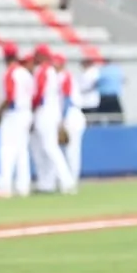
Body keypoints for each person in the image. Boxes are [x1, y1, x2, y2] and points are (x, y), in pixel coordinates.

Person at [29, 45, 76, 194]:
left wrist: (32, 109)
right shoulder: (52, 71)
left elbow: (39, 94)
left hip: (44, 112)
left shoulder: (43, 70)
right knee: (44, 148)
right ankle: (47, 183)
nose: (34, 58)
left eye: (36, 55)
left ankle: (66, 181)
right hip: (52, 111)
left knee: (49, 147)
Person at [0, 43, 35, 198]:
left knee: (6, 149)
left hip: (14, 114)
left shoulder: (11, 72)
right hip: (26, 112)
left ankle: (5, 185)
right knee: (22, 150)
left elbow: (10, 97)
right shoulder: (26, 73)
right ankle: (23, 187)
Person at [57, 54, 87, 187]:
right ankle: (67, 181)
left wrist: (63, 120)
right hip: (68, 114)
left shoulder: (65, 76)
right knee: (66, 150)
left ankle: (71, 182)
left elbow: (67, 99)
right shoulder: (59, 76)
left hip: (72, 114)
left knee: (72, 151)